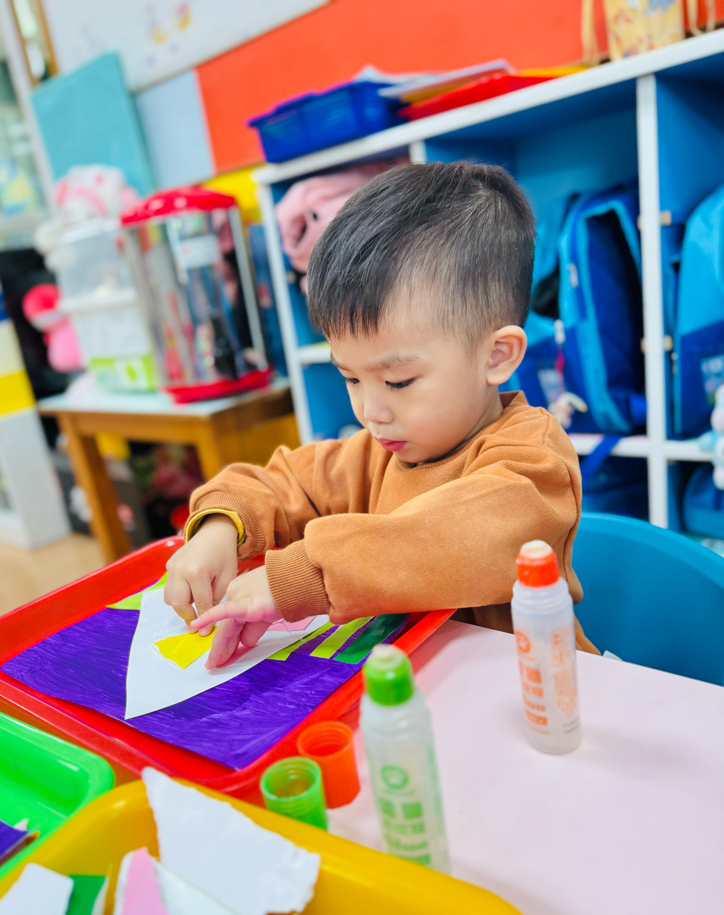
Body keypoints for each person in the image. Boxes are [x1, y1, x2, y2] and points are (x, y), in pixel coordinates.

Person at [164, 162, 598, 666]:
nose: (370, 411)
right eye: (351, 378)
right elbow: (278, 482)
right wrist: (220, 526)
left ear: (496, 356)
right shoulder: (375, 454)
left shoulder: (533, 464)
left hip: (534, 689)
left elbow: (454, 539)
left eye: (398, 382)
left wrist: (299, 577)